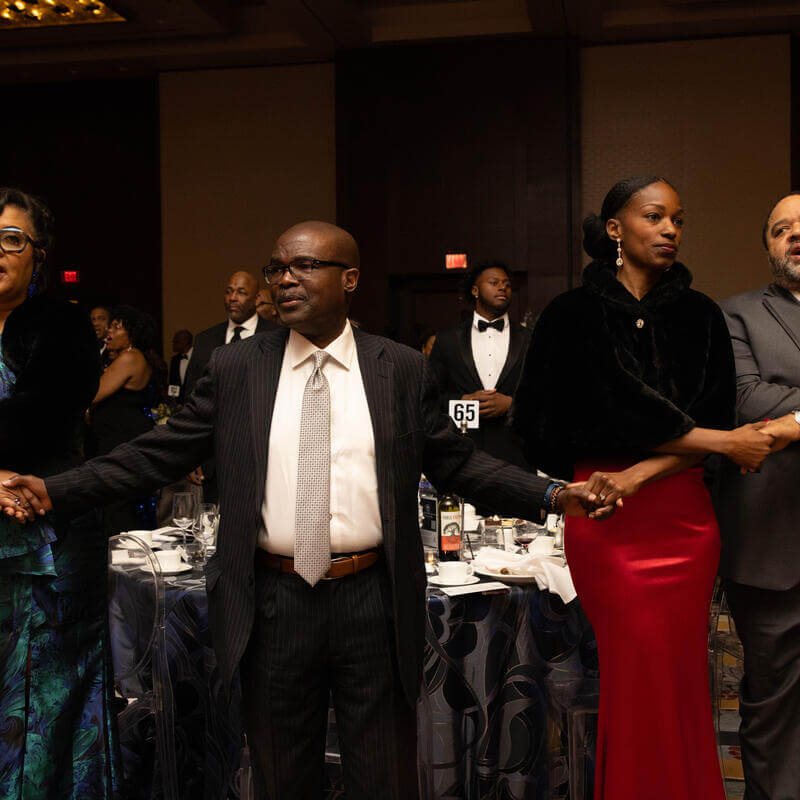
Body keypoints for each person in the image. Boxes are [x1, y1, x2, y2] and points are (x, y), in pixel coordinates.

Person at [4, 220, 608, 800]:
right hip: (272, 603)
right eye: (277, 268)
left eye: (304, 265)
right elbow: (155, 454)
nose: (284, 279)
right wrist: (56, 489)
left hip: (373, 600)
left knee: (383, 779)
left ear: (350, 279)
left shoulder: (399, 368)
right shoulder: (238, 367)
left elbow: (458, 463)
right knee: (281, 780)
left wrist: (552, 496)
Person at [513, 176, 776, 800]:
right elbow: (545, 427)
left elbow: (709, 425)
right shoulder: (570, 315)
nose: (670, 230)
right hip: (603, 513)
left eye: (678, 220)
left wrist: (649, 464)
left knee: (682, 677)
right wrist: (711, 440)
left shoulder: (701, 315)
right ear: (615, 229)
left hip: (683, 518)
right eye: (655, 217)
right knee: (633, 676)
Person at [0, 187, 121, 798]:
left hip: (50, 535)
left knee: (48, 691)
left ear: (38, 254)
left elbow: (40, 420)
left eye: (11, 239)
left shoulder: (62, 325)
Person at [714, 191, 800, 800]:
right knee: (774, 708)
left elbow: (776, 403)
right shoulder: (735, 315)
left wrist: (791, 421)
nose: (795, 235)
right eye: (781, 229)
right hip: (775, 549)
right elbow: (746, 400)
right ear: (768, 247)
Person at [183, 270, 278, 502]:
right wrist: (190, 455)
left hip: (265, 457)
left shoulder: (277, 336)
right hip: (213, 461)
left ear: (256, 298)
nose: (233, 298)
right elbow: (191, 399)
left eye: (241, 292)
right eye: (229, 291)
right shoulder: (205, 339)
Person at [429, 261, 530, 466]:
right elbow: (430, 396)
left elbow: (548, 393)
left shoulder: (530, 339)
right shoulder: (447, 341)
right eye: (494, 283)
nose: (502, 288)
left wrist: (511, 404)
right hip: (462, 452)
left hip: (516, 453)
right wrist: (462, 400)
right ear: (475, 290)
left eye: (507, 285)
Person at [87, 305, 159, 533]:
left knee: (119, 511)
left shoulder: (130, 357)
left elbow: (93, 394)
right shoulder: (129, 357)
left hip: (121, 444)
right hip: (120, 442)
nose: (109, 331)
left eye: (117, 327)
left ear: (132, 335)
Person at [167, 328, 193, 402]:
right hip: (179, 404)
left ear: (186, 341)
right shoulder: (174, 360)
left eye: (176, 341)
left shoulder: (199, 357)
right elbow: (173, 383)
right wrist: (174, 402)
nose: (173, 343)